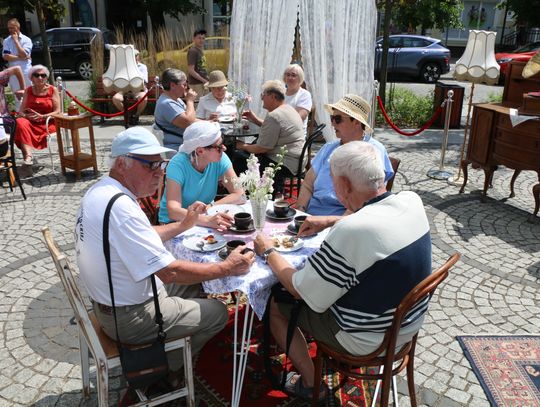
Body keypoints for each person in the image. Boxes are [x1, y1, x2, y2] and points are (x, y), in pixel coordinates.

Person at [75, 126, 255, 384]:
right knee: (217, 311)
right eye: (151, 165)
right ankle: (165, 368)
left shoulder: (102, 191)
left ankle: (175, 346)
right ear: (122, 164)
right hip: (129, 317)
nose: (160, 172)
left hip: (113, 302)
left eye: (161, 164)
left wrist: (183, 225)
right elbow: (170, 272)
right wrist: (227, 267)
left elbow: (144, 234)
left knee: (199, 285)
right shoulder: (123, 208)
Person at [253, 141, 432, 399]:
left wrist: (268, 250)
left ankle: (311, 383)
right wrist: (329, 220)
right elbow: (372, 215)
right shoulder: (411, 200)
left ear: (345, 185)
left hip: (367, 339)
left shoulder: (351, 232)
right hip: (408, 324)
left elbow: (299, 289)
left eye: (333, 180)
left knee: (276, 302)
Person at [295, 94, 394, 216]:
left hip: (342, 221)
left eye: (338, 119)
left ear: (356, 122)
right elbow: (307, 185)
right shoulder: (328, 148)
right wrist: (299, 212)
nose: (332, 124)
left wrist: (333, 225)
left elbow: (368, 199)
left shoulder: (373, 151)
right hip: (310, 216)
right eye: (332, 118)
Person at [159, 121, 244, 228]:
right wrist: (206, 220)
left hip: (206, 218)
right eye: (218, 147)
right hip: (175, 223)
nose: (224, 148)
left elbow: (239, 194)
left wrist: (211, 207)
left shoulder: (220, 158)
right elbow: (174, 211)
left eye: (223, 143)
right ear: (200, 151)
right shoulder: (177, 165)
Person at [236, 80, 305, 190]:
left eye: (263, 95)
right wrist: (254, 119)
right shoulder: (288, 109)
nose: (262, 98)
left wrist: (242, 146)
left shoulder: (274, 116)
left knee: (239, 158)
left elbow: (262, 148)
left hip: (285, 163)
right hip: (298, 159)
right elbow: (278, 129)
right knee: (248, 150)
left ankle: (247, 193)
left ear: (272, 96)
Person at [15, 65, 61, 166]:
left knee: (21, 126)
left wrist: (42, 116)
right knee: (20, 122)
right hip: (31, 122)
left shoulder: (53, 90)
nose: (40, 78)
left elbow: (58, 111)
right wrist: (27, 116)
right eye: (36, 75)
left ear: (46, 77)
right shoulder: (28, 90)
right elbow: (21, 112)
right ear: (31, 78)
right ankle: (28, 156)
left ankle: (28, 157)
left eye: (43, 75)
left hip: (47, 123)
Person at [154, 68, 198, 152]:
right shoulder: (167, 103)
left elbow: (190, 118)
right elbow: (189, 122)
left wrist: (208, 122)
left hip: (183, 143)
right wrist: (190, 101)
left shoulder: (176, 99)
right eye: (184, 84)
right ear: (172, 85)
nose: (186, 87)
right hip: (176, 147)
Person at [112, 49, 148, 125]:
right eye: (132, 56)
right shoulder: (123, 67)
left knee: (144, 98)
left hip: (138, 90)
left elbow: (145, 81)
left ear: (138, 56)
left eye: (135, 56)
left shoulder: (142, 67)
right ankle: (127, 115)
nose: (134, 58)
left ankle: (136, 116)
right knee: (115, 98)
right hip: (125, 89)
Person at [2, 18, 32, 110]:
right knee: (17, 96)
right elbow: (6, 56)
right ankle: (20, 118)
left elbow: (24, 54)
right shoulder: (6, 41)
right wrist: (20, 57)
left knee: (29, 95)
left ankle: (30, 116)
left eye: (12, 28)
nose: (10, 30)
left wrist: (16, 41)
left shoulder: (27, 40)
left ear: (18, 27)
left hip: (26, 72)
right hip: (14, 74)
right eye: (9, 28)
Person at [283, 64, 312, 135]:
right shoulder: (280, 93)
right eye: (288, 75)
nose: (290, 77)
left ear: (300, 78)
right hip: (278, 133)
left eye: (293, 75)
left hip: (294, 136)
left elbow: (299, 119)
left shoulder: (304, 95)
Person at [187, 29, 209, 98]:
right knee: (198, 106)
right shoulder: (193, 51)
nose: (201, 40)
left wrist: (207, 79)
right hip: (196, 84)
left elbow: (202, 68)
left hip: (203, 83)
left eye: (203, 38)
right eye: (199, 38)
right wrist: (204, 80)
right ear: (194, 39)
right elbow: (191, 70)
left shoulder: (200, 51)